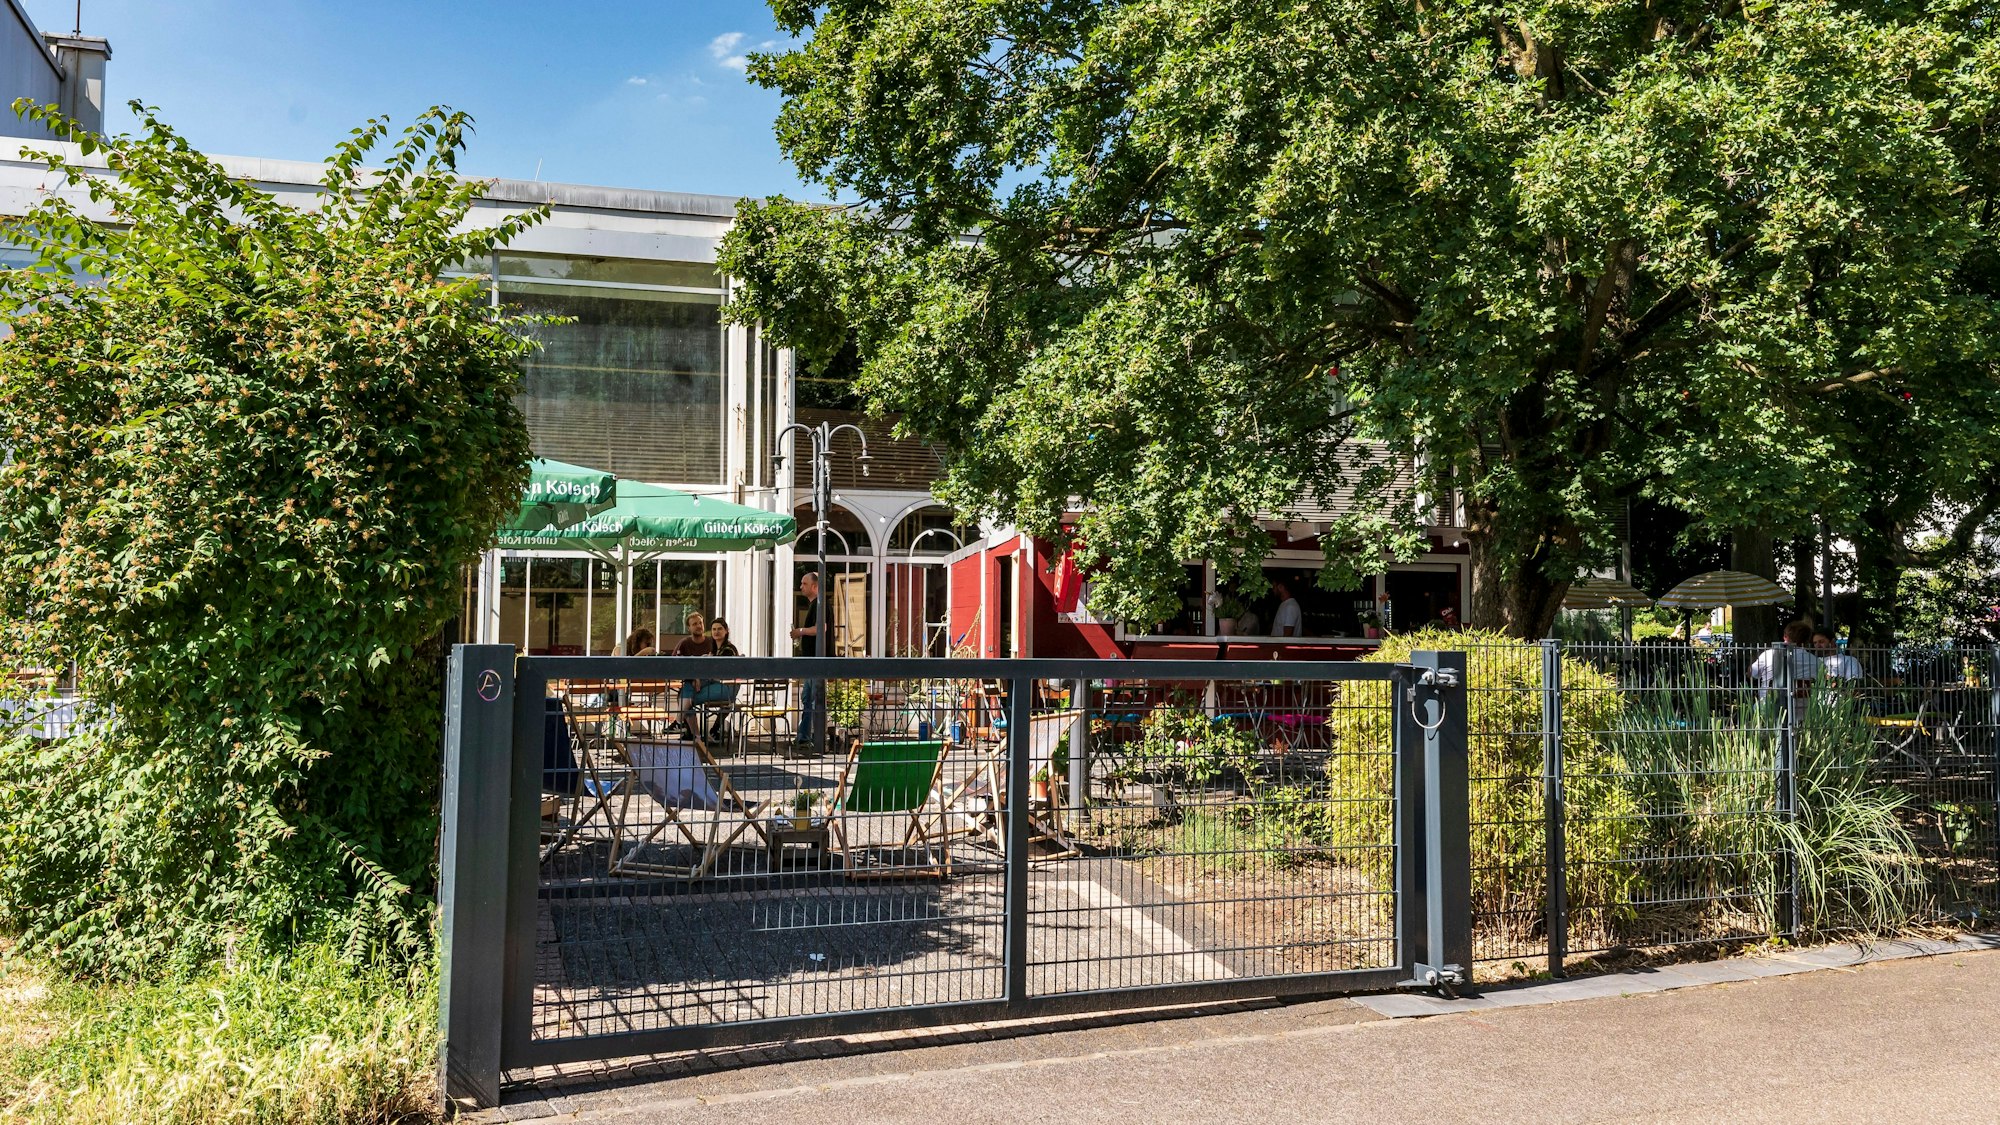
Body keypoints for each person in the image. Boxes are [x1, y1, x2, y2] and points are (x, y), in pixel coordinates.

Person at [678, 617, 741, 737]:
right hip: (715, 684)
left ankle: (680, 723)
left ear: (726, 631)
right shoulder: (714, 649)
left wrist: (700, 674)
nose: (716, 632)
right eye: (714, 629)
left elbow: (717, 672)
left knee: (685, 698)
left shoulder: (728, 650)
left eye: (720, 629)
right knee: (686, 692)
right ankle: (695, 735)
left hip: (727, 687)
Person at [789, 571, 825, 751]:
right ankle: (804, 736)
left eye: (804, 583)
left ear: (814, 586)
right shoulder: (815, 605)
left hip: (815, 662)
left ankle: (810, 737)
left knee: (810, 699)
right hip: (811, 661)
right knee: (807, 698)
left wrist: (800, 631)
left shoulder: (820, 605)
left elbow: (821, 628)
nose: (800, 586)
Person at [1749, 620, 1822, 698]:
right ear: (1807, 640)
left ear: (1785, 637)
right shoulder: (1816, 661)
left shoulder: (1768, 655)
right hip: (1802, 706)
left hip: (1769, 705)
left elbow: (1752, 673)